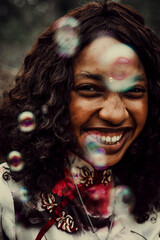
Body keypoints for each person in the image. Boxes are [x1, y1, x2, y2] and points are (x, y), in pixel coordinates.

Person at [0, 0, 160, 239]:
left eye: (133, 91)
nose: (115, 114)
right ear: (52, 95)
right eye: (90, 89)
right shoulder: (7, 197)